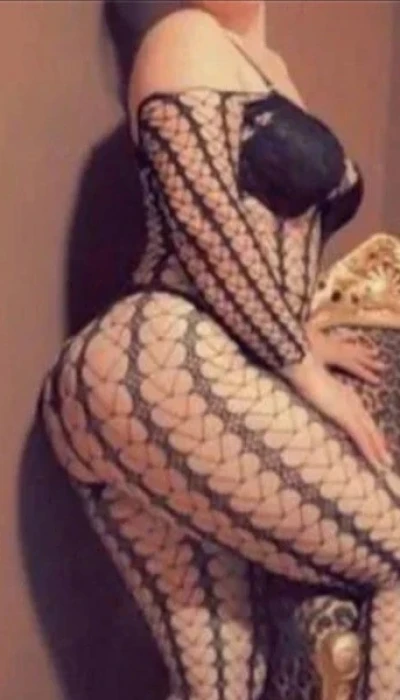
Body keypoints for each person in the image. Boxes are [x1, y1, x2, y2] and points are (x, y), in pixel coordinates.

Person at [41, 2, 400, 698]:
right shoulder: (185, 38)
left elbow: (255, 236)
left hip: (172, 382)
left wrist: (301, 335)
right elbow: (204, 222)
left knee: (223, 684)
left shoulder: (267, 68)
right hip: (161, 357)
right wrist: (298, 362)